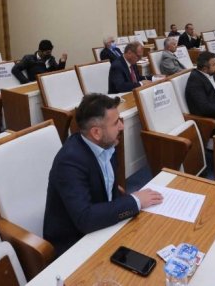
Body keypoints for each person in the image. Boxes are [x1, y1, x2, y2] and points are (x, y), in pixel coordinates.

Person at [43, 94, 163, 256]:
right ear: (96, 132)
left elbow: (109, 189)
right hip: (75, 243)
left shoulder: (107, 145)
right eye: (116, 123)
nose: (122, 126)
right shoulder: (69, 162)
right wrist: (134, 201)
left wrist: (130, 202)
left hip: (102, 227)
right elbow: (85, 219)